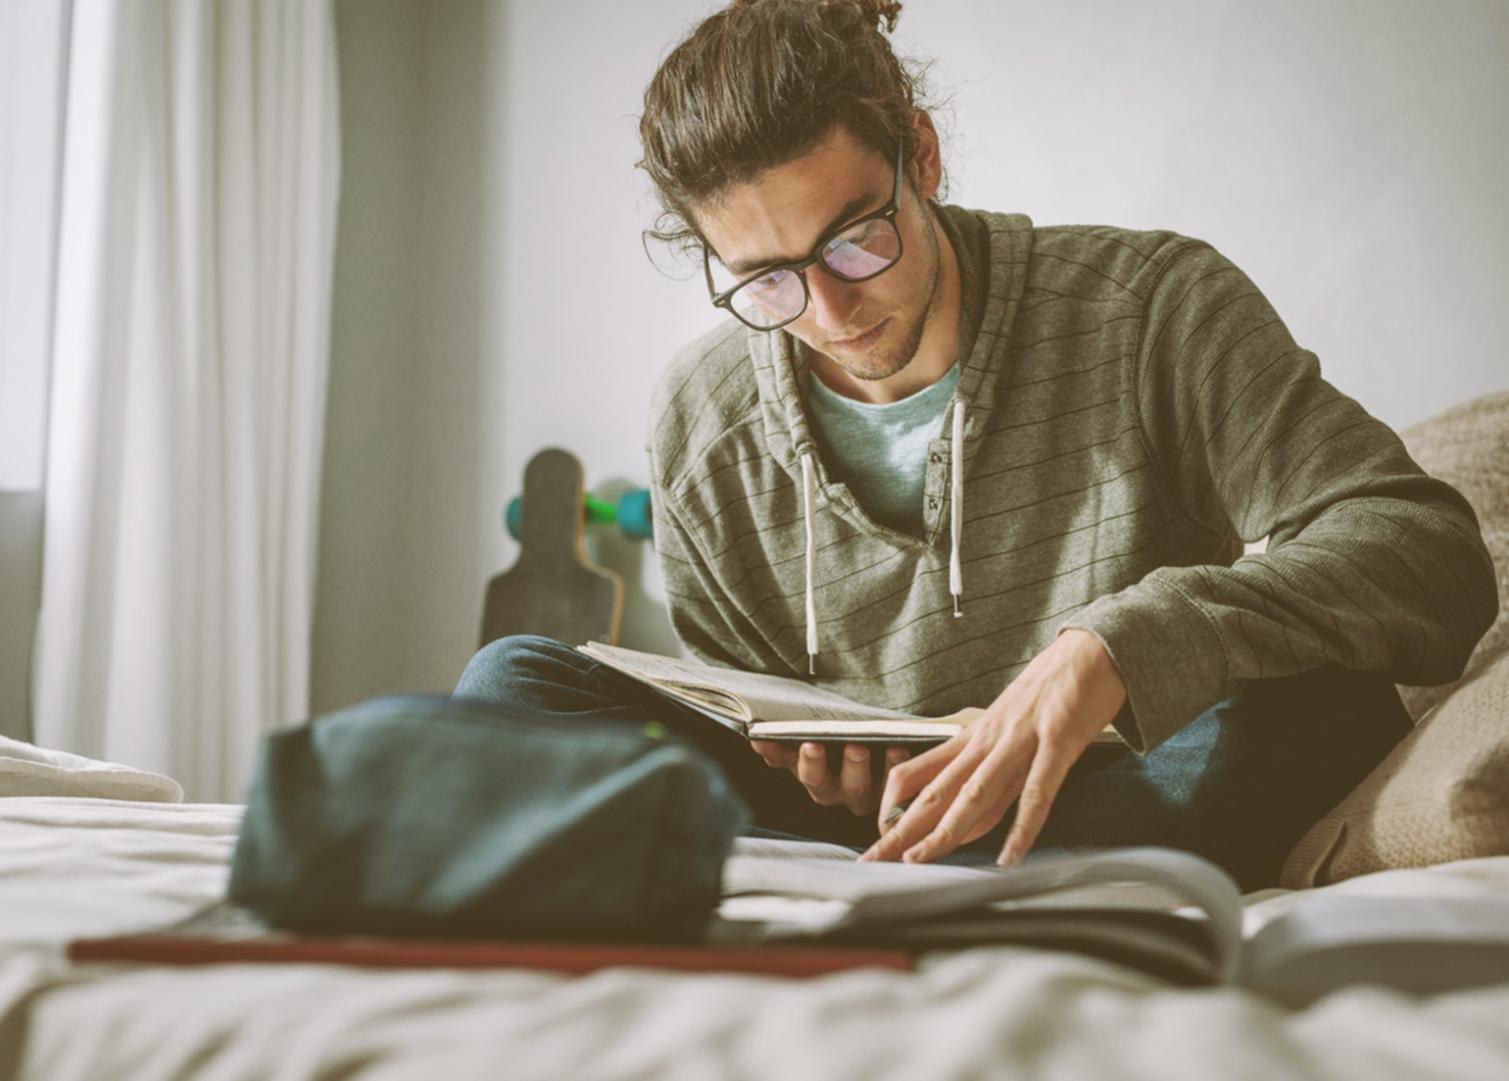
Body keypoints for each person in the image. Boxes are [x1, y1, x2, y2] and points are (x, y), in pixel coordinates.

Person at [456, 0, 1497, 888]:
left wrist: (1118, 647)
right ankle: (945, 871)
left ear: (921, 154)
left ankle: (935, 872)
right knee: (514, 687)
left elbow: (1430, 556)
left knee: (1323, 705)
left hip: (1118, 778)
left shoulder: (1150, 308)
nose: (827, 313)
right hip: (871, 825)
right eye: (766, 280)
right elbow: (739, 706)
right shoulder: (700, 420)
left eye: (854, 240)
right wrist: (809, 750)